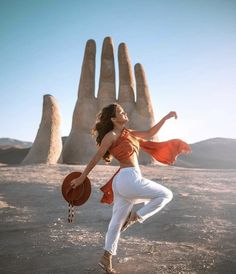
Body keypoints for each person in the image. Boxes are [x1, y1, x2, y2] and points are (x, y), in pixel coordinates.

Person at [70, 103, 191, 274]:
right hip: (129, 178)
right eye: (120, 112)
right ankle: (135, 217)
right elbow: (96, 157)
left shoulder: (129, 132)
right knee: (166, 195)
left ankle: (106, 257)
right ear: (113, 118)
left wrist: (165, 117)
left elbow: (150, 133)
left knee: (116, 222)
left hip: (123, 182)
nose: (124, 113)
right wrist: (82, 177)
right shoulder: (111, 135)